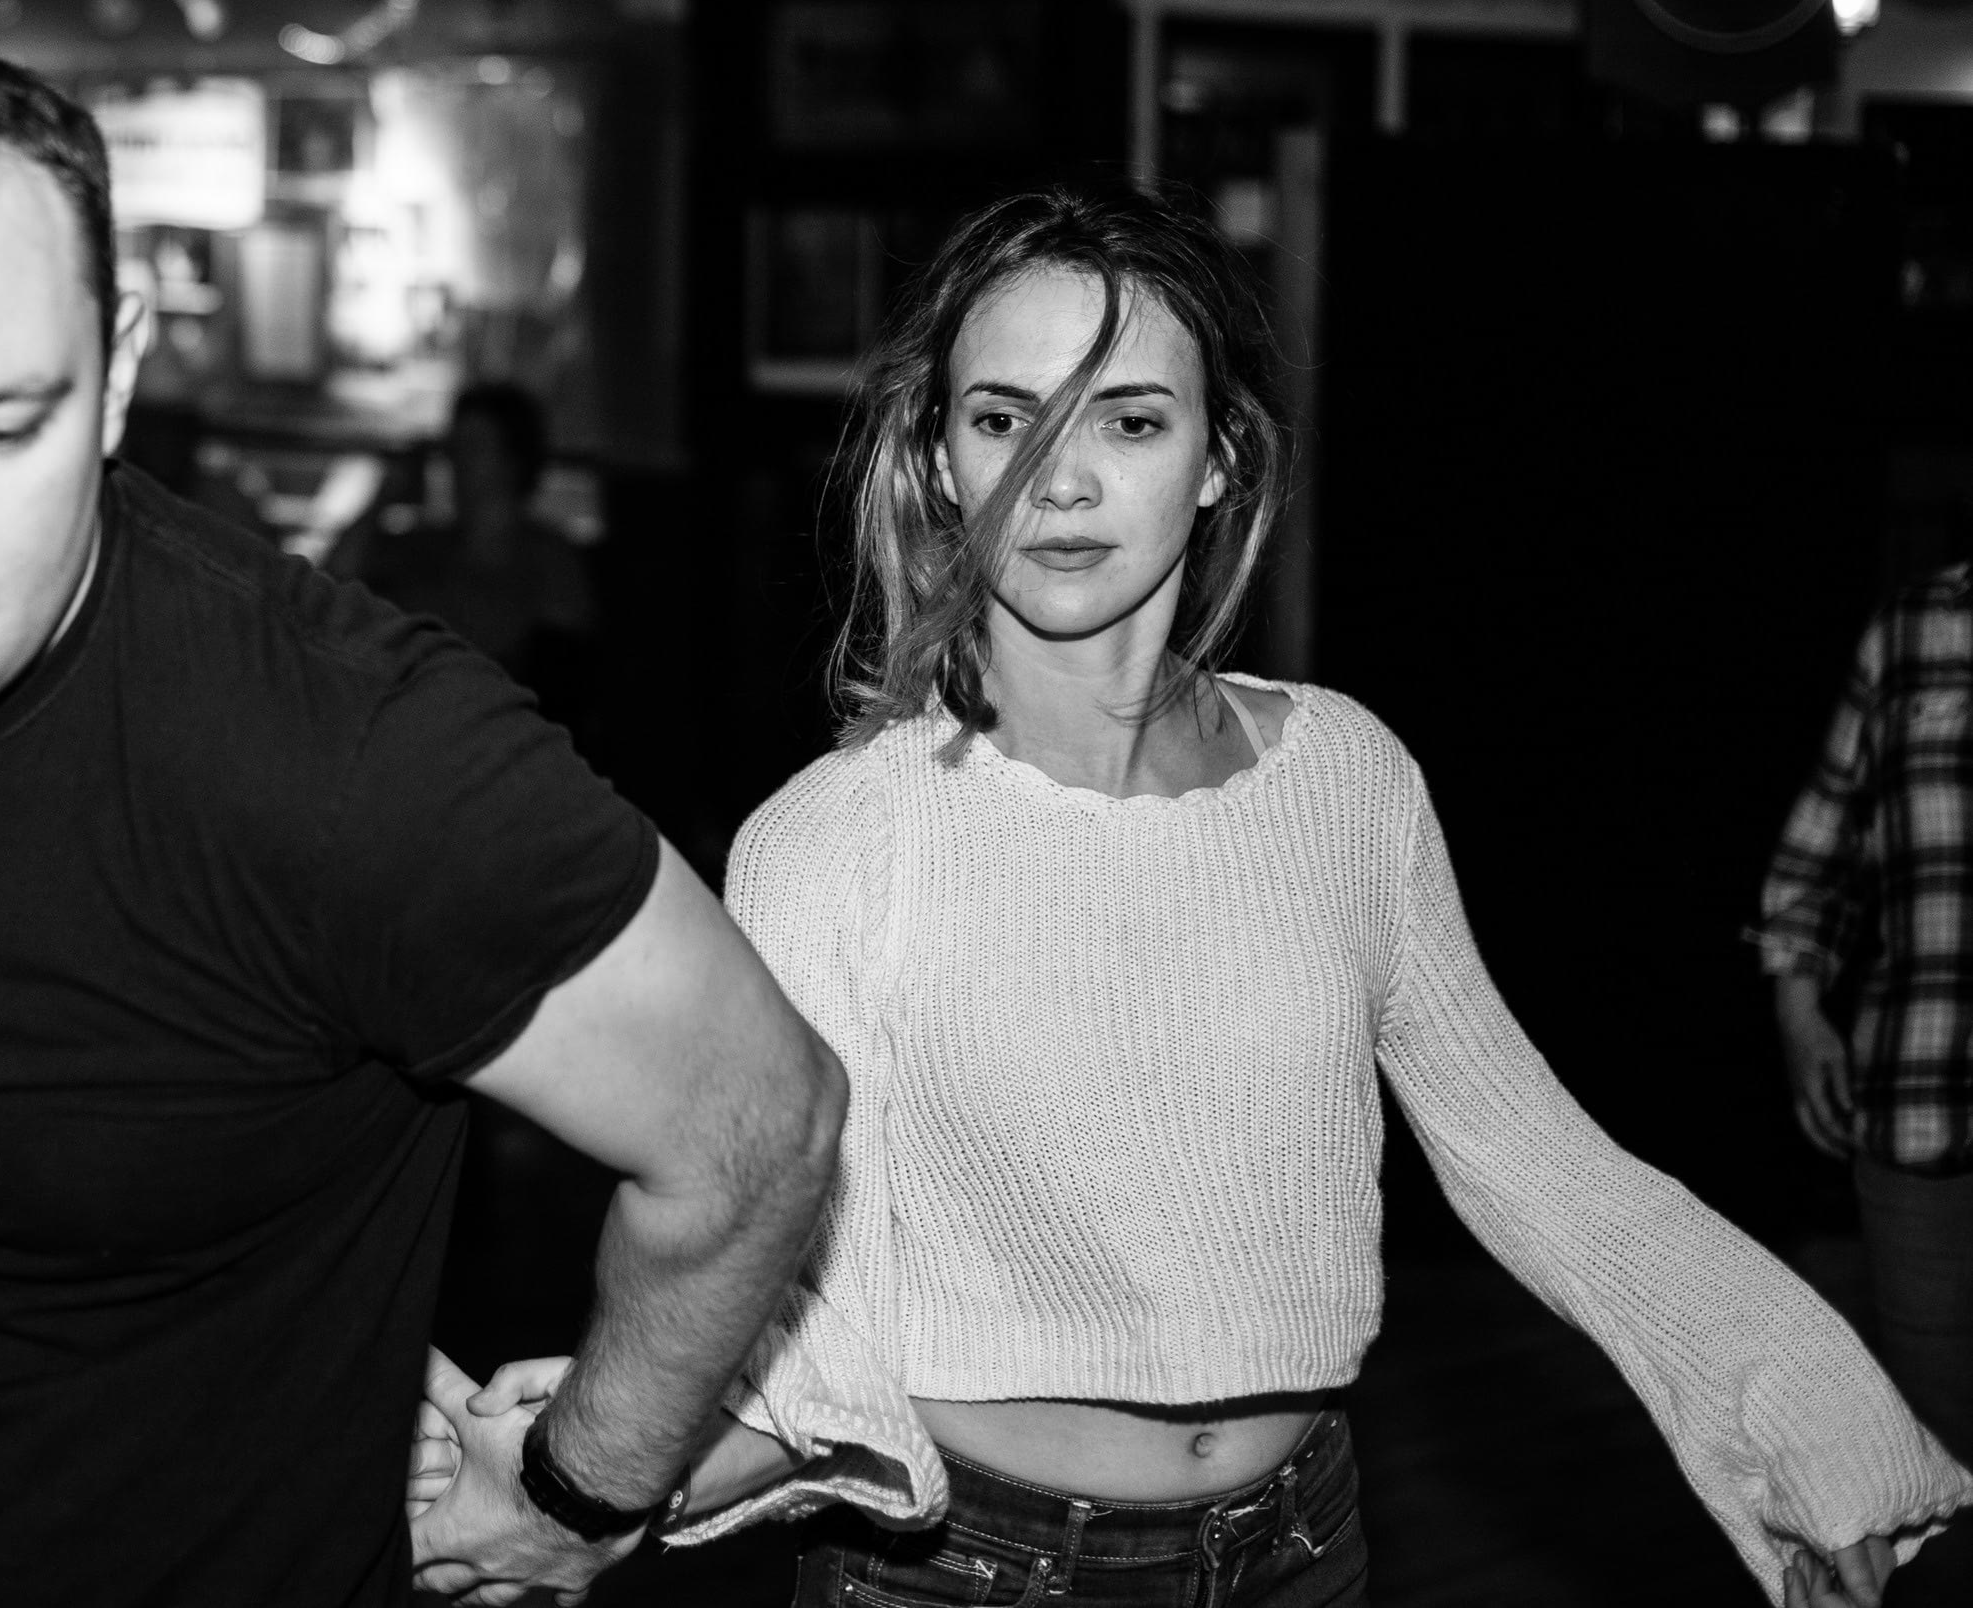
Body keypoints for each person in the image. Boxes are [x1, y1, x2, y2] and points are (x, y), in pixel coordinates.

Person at [414, 184, 1964, 1608]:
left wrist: (1809, 1421)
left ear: (1219, 454)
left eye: (1132, 418)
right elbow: (812, 1313)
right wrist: (577, 1475)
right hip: (968, 1570)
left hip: (1303, 1542)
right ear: (939, 460)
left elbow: (1532, 1157)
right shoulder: (834, 841)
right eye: (1003, 415)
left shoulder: (1344, 780)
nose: (1061, 477)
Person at [0, 35, 845, 1607]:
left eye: (1, 424)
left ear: (119, 366)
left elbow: (758, 1120)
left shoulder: (348, 753)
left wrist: (576, 1487)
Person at [1761, 562, 1973, 1574]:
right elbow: (1820, 845)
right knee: (1936, 1464)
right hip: (1918, 1107)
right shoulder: (1915, 628)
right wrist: (1800, 1008)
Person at [336, 382, 596, 708]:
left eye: (474, 446)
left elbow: (562, 676)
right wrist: (385, 493)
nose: (458, 461)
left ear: (512, 460)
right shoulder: (424, 544)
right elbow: (333, 584)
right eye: (454, 446)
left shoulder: (550, 558)